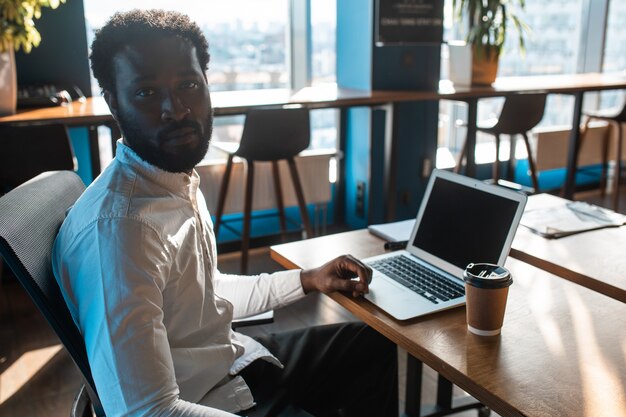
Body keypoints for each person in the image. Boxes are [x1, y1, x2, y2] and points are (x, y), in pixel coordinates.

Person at [52, 9, 398, 417]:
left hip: (231, 365)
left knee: (373, 343)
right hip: (205, 400)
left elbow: (206, 295)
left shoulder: (170, 179)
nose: (177, 109)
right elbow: (148, 412)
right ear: (113, 102)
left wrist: (309, 279)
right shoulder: (122, 233)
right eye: (146, 92)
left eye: (189, 85)